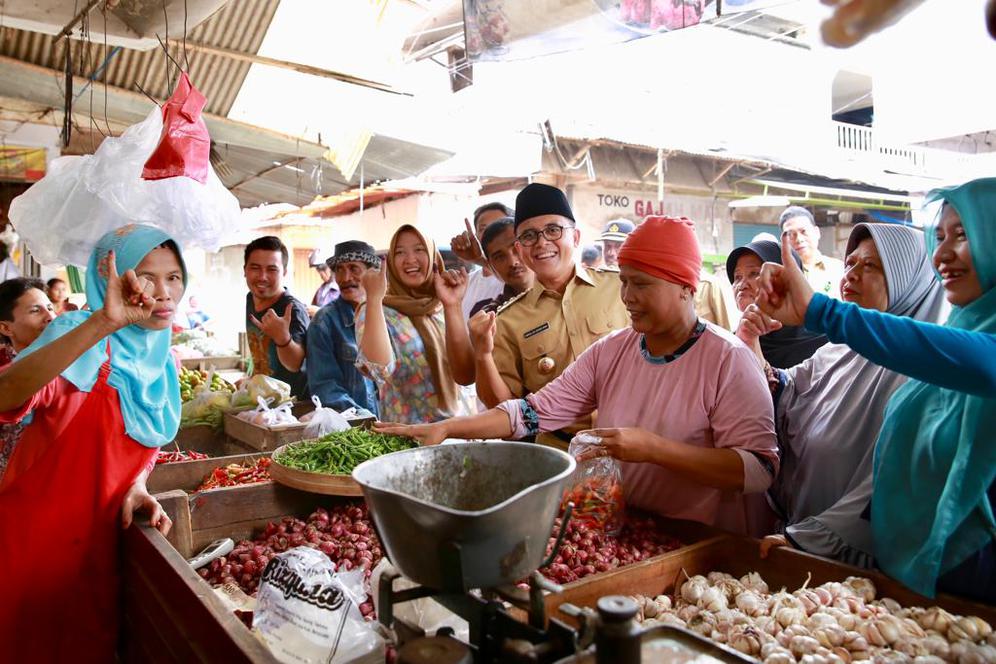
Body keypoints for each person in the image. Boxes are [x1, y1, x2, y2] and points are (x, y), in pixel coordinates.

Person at [377, 217, 778, 535]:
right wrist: (448, 430)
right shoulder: (613, 350)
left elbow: (759, 469)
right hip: (636, 532)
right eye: (623, 283)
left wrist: (654, 449)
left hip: (708, 545)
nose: (627, 297)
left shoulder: (729, 360)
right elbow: (533, 412)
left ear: (685, 287)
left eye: (641, 284)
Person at [755, 178, 996, 602]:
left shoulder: (946, 352)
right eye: (939, 237)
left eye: (964, 234)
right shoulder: (952, 342)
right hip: (925, 586)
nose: (943, 253)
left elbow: (979, 361)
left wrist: (821, 310)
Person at [0, 224, 177, 662]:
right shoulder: (78, 335)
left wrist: (138, 482)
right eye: (146, 275)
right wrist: (102, 322)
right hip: (34, 551)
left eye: (174, 276)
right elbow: (7, 394)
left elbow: (143, 438)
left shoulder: (161, 357)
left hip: (96, 555)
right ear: (112, 279)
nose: (163, 290)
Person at [743, 224, 946, 568]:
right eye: (850, 264)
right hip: (801, 546)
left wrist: (810, 537)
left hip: (863, 566)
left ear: (910, 283)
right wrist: (752, 345)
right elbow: (786, 393)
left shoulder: (928, 374)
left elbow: (890, 487)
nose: (851, 276)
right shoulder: (839, 350)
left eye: (870, 266)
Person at [486, 183, 630, 449]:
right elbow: (507, 406)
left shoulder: (621, 289)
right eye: (529, 236)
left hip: (636, 447)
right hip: (560, 454)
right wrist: (481, 354)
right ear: (519, 249)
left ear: (575, 238)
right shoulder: (508, 320)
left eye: (553, 230)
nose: (542, 242)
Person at [356, 225, 474, 423]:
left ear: (433, 256)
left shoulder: (445, 302)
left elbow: (467, 374)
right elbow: (379, 369)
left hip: (458, 434)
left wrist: (452, 305)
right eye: (399, 252)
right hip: (407, 443)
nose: (410, 259)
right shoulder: (378, 309)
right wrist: (374, 299)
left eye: (419, 250)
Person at [438, 217, 536, 387]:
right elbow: (465, 375)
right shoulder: (493, 315)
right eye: (499, 257)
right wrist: (452, 305)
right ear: (491, 265)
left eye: (516, 249)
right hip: (524, 412)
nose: (513, 262)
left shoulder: (566, 288)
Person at [727, 240, 827, 368]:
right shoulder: (733, 343)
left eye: (754, 273)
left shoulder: (824, 344)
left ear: (787, 280)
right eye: (737, 277)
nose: (741, 285)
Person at [306, 241, 379, 415]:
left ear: (372, 274)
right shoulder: (323, 322)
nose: (345, 278)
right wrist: (366, 419)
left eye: (354, 268)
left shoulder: (389, 316)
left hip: (400, 424)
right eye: (339, 270)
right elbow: (325, 387)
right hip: (360, 430)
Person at [0, 278, 56, 478]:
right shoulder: (5, 370)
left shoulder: (69, 362)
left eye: (50, 307)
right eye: (35, 310)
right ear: (6, 328)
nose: (50, 317)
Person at [244, 236, 310, 400]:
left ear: (284, 272)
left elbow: (295, 364)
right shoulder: (250, 298)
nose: (262, 277)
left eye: (272, 270)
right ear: (244, 270)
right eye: (255, 268)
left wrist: (283, 339)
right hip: (263, 400)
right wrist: (251, 379)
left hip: (291, 407)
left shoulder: (292, 310)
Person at [450, 202, 514, 320]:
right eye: (483, 228)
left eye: (498, 226)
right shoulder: (465, 283)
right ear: (475, 235)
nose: (490, 234)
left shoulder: (521, 274)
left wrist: (480, 260)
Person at [779, 206, 845, 298]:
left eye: (804, 231)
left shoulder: (839, 270)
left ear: (816, 232)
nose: (799, 239)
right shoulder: (779, 275)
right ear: (783, 240)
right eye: (790, 234)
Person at [308, 247, 339, 315]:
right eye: (318, 270)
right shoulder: (321, 290)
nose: (321, 274)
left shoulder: (342, 290)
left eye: (323, 269)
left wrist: (319, 312)